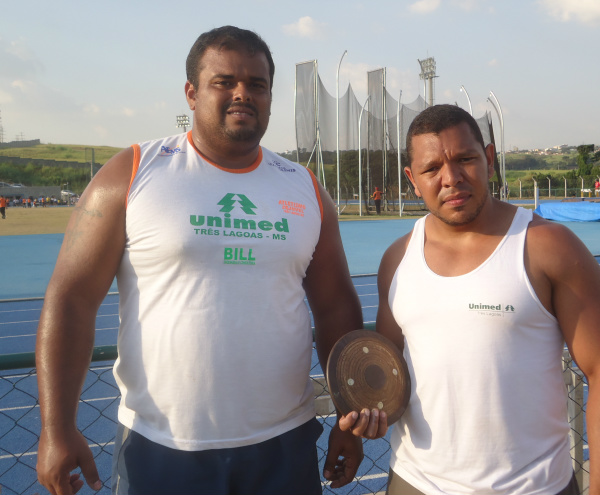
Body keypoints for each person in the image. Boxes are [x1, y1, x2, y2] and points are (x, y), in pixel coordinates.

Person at [36, 26, 364, 495]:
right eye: (224, 81)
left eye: (257, 84)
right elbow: (71, 299)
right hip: (161, 448)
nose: (242, 94)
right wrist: (56, 427)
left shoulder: (304, 188)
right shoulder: (132, 172)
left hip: (283, 444)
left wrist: (348, 417)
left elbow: (336, 308)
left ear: (270, 96)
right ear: (191, 93)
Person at [339, 105, 600, 495]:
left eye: (465, 159)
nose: (451, 178)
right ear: (413, 179)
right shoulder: (397, 259)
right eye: (431, 169)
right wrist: (368, 415)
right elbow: (390, 376)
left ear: (490, 159)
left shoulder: (547, 247)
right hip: (414, 482)